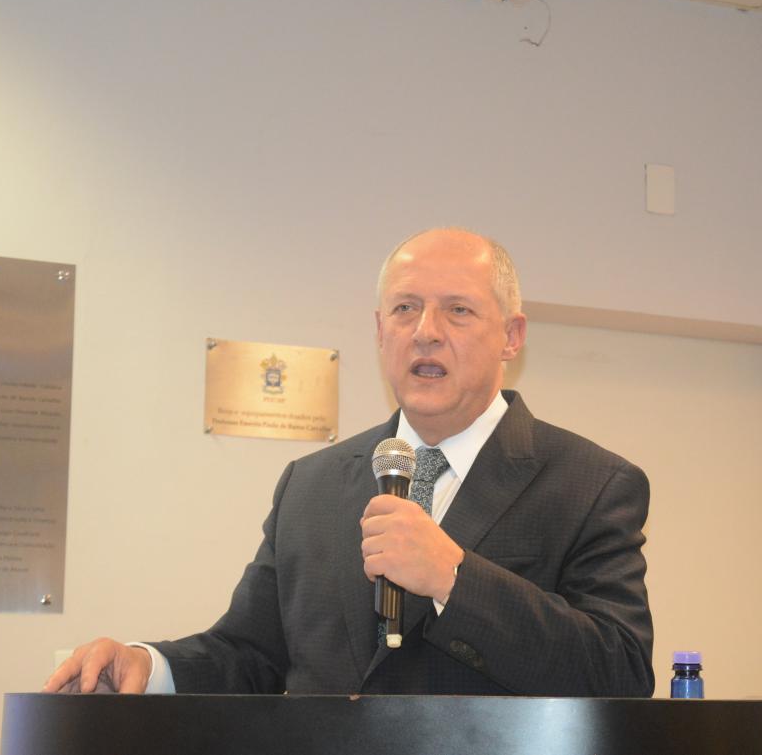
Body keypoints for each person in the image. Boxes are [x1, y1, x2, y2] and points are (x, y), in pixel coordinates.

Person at [43, 228, 654, 697]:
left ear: (512, 336)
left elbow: (620, 672)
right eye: (405, 309)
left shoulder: (591, 484)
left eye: (458, 310)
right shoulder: (310, 485)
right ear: (380, 331)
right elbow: (251, 654)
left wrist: (454, 578)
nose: (426, 332)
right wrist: (147, 665)